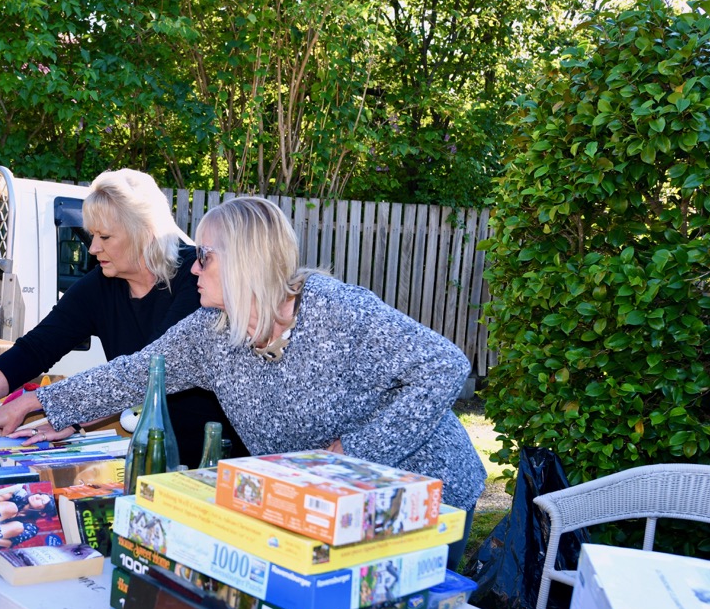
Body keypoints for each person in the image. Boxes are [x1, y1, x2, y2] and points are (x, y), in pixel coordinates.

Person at [27, 196, 488, 568]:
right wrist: (46, 405)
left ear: (244, 260)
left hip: (427, 493)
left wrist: (351, 454)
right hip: (337, 504)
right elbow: (134, 371)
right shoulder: (211, 330)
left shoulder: (334, 310)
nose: (192, 268)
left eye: (204, 257)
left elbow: (444, 365)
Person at [0, 168, 239, 463]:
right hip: (152, 458)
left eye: (105, 237)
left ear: (144, 234)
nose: (93, 248)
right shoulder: (100, 286)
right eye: (92, 235)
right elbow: (34, 349)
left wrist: (46, 408)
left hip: (218, 458)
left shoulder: (197, 280)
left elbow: (142, 373)